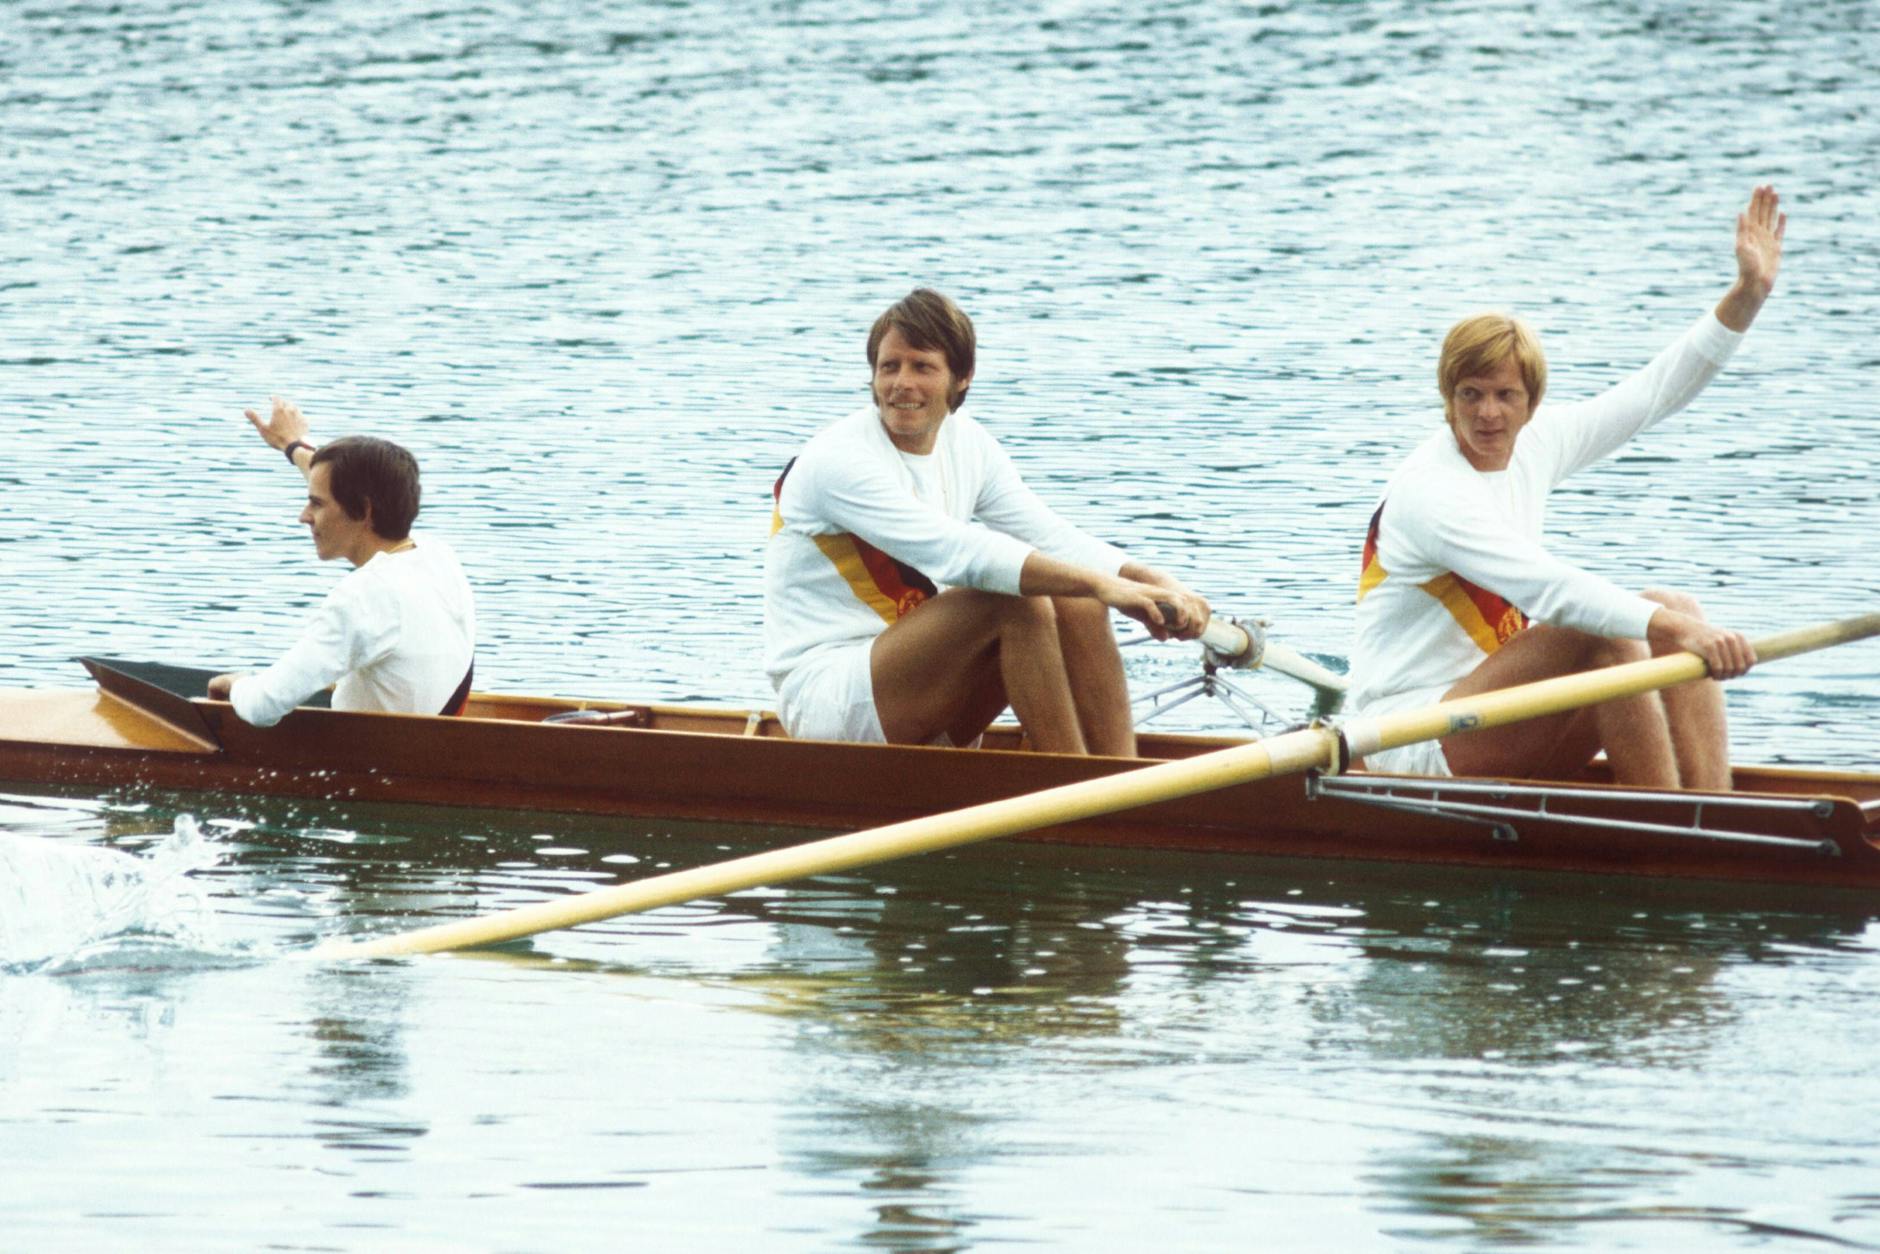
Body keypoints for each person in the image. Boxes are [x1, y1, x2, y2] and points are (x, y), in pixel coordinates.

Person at [1349, 186, 1786, 788]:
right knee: (1610, 627)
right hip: (1407, 739)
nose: (1488, 415)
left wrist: (1747, 296)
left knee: (1676, 606)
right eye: (1469, 395)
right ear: (1447, 398)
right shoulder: (1431, 493)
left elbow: (1653, 394)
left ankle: (1714, 804)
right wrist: (1674, 631)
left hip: (1495, 717)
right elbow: (1552, 591)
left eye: (1506, 396)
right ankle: (1669, 825)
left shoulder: (1537, 441)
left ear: (1532, 402)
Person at [764, 288, 1212, 756]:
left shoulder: (968, 443)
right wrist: (1104, 587)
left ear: (961, 377)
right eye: (889, 367)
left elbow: (1050, 536)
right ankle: (1074, 786)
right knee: (1015, 602)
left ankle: (1120, 776)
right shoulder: (838, 460)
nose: (901, 384)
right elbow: (957, 553)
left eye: (922, 367)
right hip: (828, 698)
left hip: (916, 678)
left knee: (1074, 597)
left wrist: (1151, 581)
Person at [207, 398, 476, 728]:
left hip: (374, 767)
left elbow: (263, 706)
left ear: (364, 512)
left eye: (316, 505)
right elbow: (352, 485)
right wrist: (293, 446)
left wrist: (238, 686)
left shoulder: (363, 597)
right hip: (426, 746)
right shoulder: (438, 556)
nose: (303, 517)